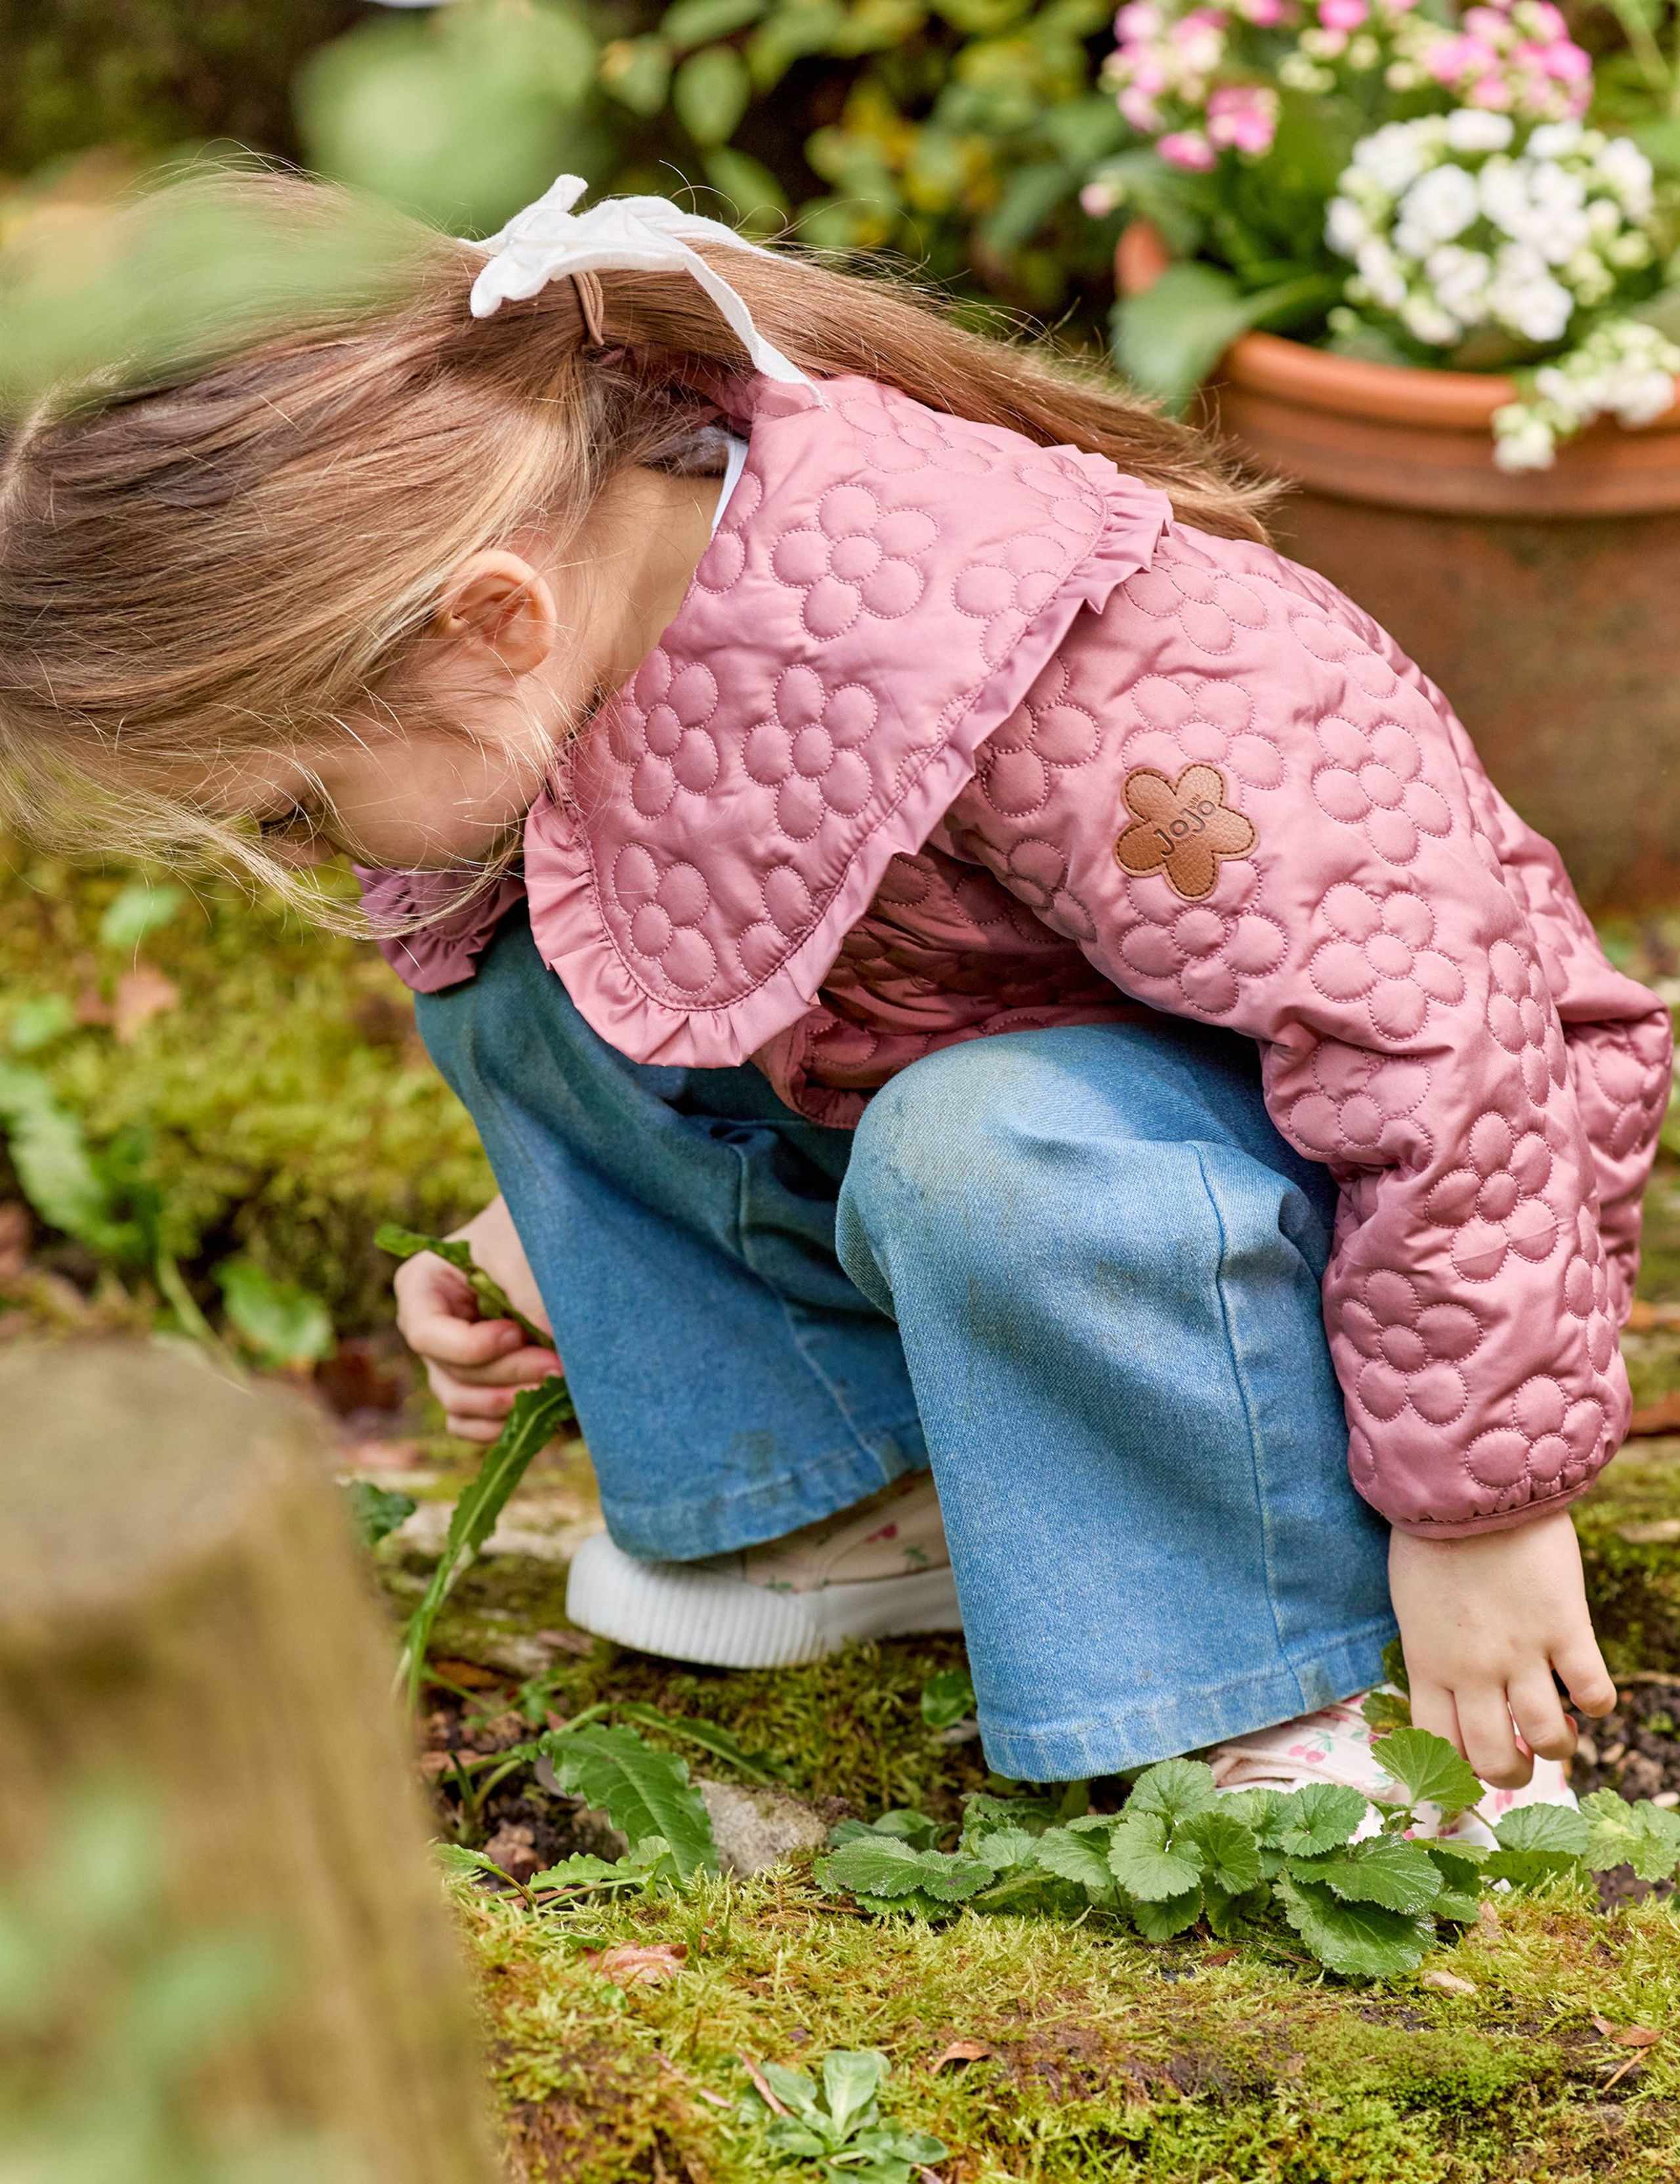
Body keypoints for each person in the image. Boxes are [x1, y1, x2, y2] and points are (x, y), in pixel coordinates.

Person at [3, 171, 1668, 1824]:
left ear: (488, 619)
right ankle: (876, 1486)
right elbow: (742, 968)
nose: (294, 862)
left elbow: (1447, 1052)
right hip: (1045, 1146)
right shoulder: (611, 622)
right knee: (513, 977)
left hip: (1383, 1218)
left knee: (984, 1142)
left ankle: (1293, 1657)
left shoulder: (1080, 680)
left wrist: (1479, 1512)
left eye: (292, 806)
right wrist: (562, 1219)